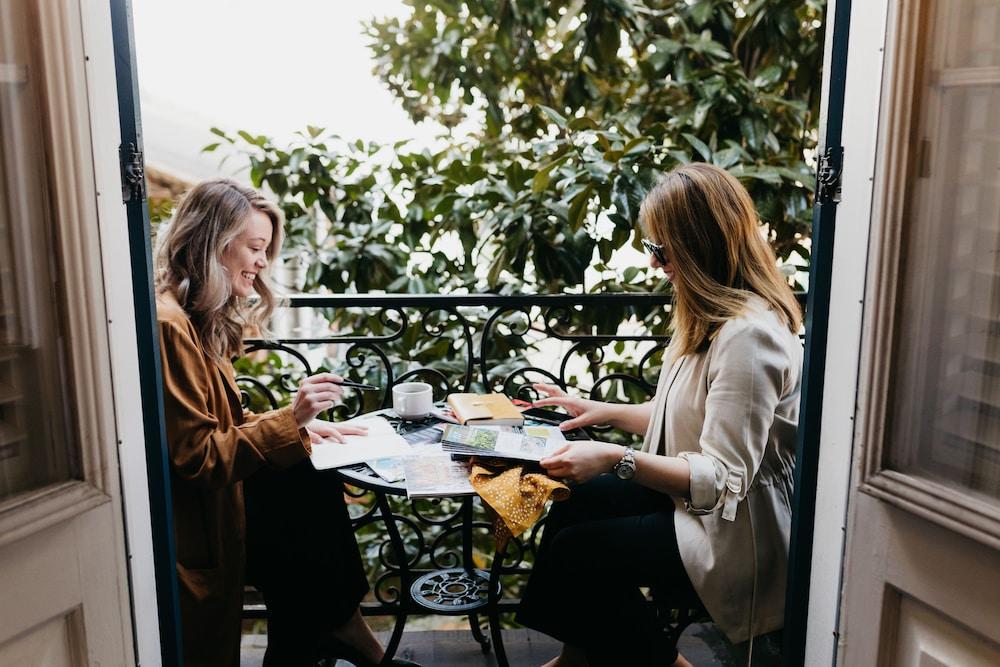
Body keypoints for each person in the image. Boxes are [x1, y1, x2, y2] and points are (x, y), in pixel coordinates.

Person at [516, 163, 803, 667]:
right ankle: (577, 658)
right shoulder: (712, 316)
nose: (654, 264)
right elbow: (688, 417)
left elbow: (722, 478)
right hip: (696, 501)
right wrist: (598, 410)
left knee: (581, 553)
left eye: (660, 249)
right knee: (571, 504)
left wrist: (614, 458)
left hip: (733, 527)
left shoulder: (748, 337)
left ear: (699, 247)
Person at [155, 180, 419, 666]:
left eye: (266, 251)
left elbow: (220, 422)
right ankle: (340, 637)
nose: (262, 263)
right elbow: (198, 457)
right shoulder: (171, 325)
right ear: (213, 243)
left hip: (218, 502)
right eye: (255, 248)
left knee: (308, 474)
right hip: (195, 520)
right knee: (305, 502)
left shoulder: (192, 316)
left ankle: (320, 640)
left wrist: (298, 428)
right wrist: (290, 420)